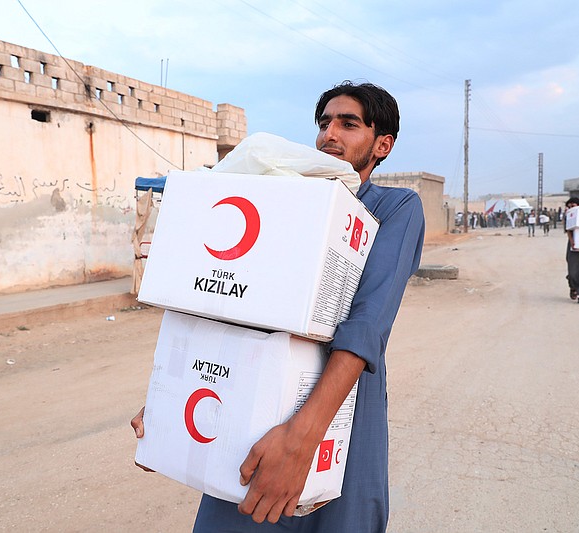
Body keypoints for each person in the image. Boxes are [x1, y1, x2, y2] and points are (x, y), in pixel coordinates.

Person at [131, 81, 425, 532]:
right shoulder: (282, 197)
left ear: (382, 145)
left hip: (338, 397)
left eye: (349, 124)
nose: (330, 134)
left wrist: (303, 437)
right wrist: (169, 402)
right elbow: (218, 300)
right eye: (325, 123)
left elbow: (366, 323)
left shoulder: (394, 207)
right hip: (251, 387)